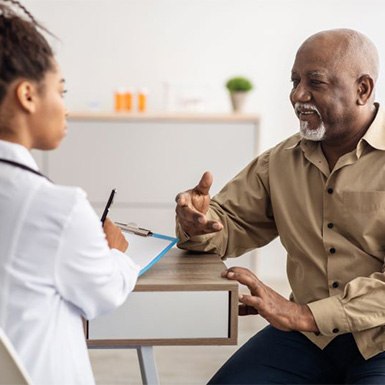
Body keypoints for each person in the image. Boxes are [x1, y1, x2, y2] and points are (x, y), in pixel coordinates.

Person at [175, 28, 385, 384]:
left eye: (314, 82)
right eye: (295, 81)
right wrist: (199, 223)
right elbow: (230, 223)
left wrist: (302, 314)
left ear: (362, 89)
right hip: (308, 340)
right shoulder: (280, 161)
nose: (297, 95)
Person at [0, 1, 140, 385]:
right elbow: (104, 294)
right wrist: (116, 252)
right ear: (28, 95)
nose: (65, 108)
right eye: (60, 92)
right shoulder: (56, 207)